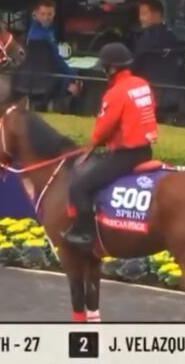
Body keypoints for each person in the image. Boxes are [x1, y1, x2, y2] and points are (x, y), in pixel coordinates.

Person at [63, 42, 158, 251]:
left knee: (79, 186)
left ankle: (85, 233)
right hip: (146, 151)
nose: (104, 72)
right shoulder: (142, 84)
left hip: (125, 157)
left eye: (105, 68)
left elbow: (102, 130)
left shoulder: (116, 93)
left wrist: (93, 143)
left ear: (112, 69)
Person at [131, 0, 185, 113]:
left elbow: (135, 65)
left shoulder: (147, 38)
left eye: (144, 14)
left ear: (156, 14)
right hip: (169, 97)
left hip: (142, 95)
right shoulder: (172, 37)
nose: (140, 18)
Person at [26, 0, 80, 98]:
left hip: (49, 73)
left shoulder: (47, 29)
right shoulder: (38, 36)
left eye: (49, 14)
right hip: (47, 78)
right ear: (35, 14)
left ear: (54, 13)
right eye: (42, 14)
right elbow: (53, 62)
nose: (46, 17)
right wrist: (71, 78)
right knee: (79, 80)